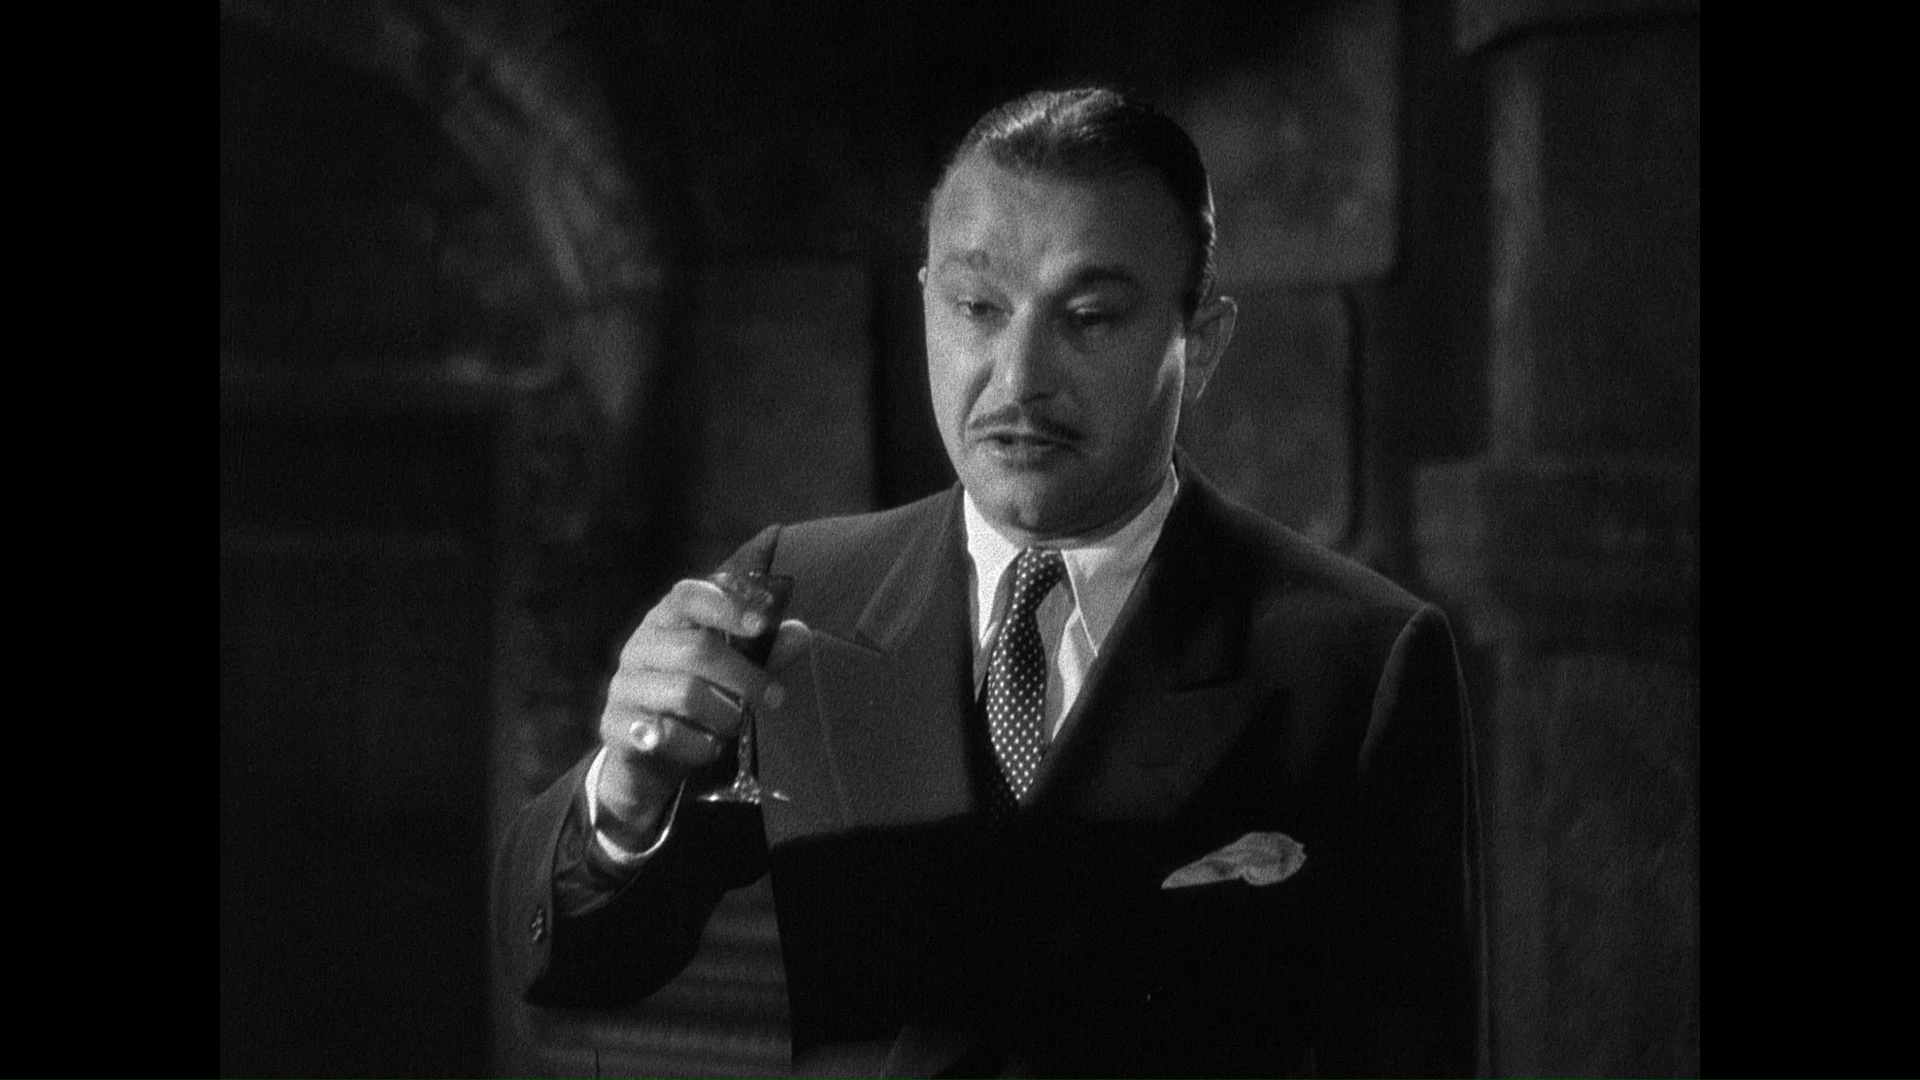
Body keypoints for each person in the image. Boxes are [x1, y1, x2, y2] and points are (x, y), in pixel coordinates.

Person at [494, 86, 1482, 1080]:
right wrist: (625, 797)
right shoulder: (796, 594)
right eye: (976, 308)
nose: (1018, 380)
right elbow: (574, 965)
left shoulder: (1355, 659)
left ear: (1204, 343)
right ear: (929, 302)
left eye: (1089, 318)